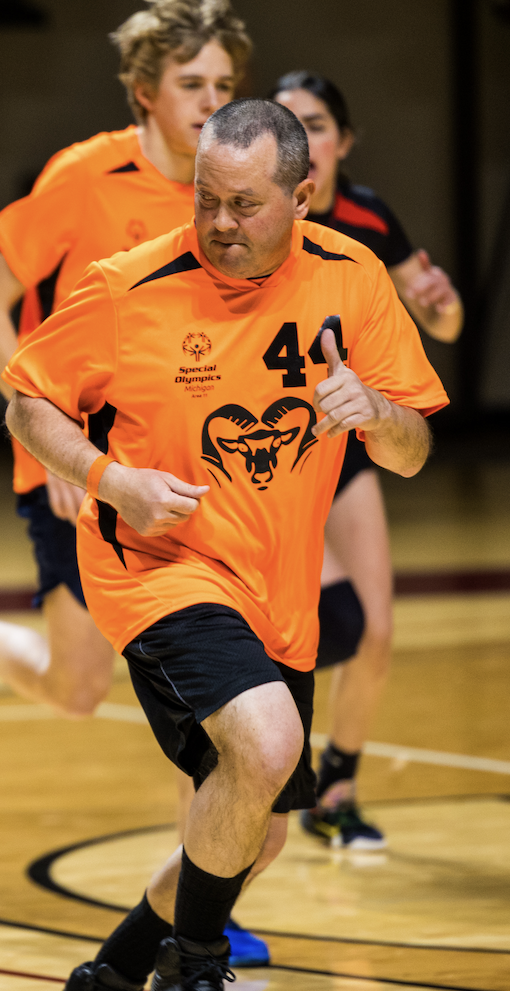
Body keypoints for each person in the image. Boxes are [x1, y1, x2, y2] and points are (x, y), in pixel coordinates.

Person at [4, 99, 446, 991]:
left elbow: (413, 451)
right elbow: (29, 401)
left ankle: (113, 975)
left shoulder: (351, 277)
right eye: (206, 199)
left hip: (276, 589)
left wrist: (378, 413)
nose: (218, 223)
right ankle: (195, 967)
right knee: (267, 741)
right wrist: (111, 481)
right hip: (157, 564)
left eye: (244, 204)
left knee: (261, 829)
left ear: (303, 196)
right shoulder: (131, 285)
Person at [0, 0, 273, 967]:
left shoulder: (228, 195)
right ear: (144, 90)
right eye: (191, 84)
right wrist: (59, 436)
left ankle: (205, 912)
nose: (209, 102)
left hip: (184, 480)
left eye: (224, 86)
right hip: (76, 471)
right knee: (77, 687)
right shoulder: (81, 178)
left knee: (207, 704)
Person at [272, 70, 463, 850]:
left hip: (346, 441)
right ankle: (244, 769)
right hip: (271, 447)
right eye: (287, 123)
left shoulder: (368, 218)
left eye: (316, 124)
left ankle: (338, 783)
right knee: (325, 624)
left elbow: (443, 324)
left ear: (343, 141)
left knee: (377, 630)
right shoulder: (253, 216)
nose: (302, 139)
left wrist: (438, 301)